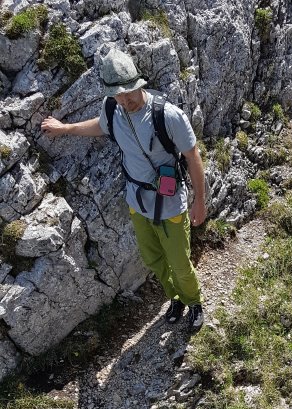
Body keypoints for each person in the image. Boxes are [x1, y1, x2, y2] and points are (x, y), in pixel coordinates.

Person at [41, 48, 206, 334]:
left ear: (139, 84)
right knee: (153, 259)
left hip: (169, 204)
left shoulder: (168, 116)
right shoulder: (112, 108)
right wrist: (65, 128)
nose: (125, 101)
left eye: (129, 93)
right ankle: (175, 298)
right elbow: (100, 126)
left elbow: (193, 156)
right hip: (137, 202)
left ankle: (194, 303)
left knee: (180, 263)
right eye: (118, 95)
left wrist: (200, 201)